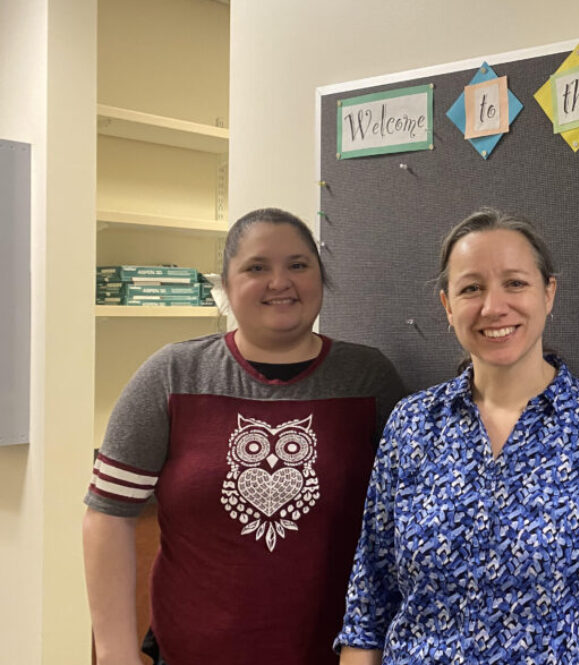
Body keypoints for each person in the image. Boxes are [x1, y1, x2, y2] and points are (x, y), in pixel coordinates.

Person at [336, 208, 579, 664]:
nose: (494, 306)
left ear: (548, 292)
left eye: (515, 283)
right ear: (447, 306)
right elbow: (370, 598)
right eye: (471, 288)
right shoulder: (412, 424)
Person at [83, 208, 406, 665]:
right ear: (227, 287)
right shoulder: (171, 375)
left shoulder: (369, 379)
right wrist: (116, 653)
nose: (280, 282)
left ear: (320, 277)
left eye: (298, 265)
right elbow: (108, 515)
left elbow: (402, 527)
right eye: (257, 267)